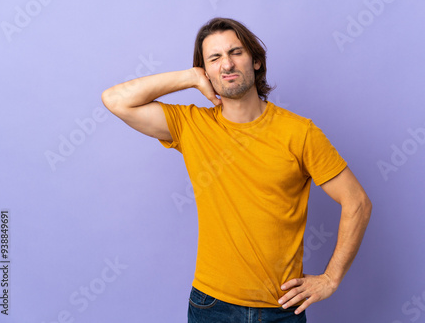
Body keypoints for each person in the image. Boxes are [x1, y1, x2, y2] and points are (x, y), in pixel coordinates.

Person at [102, 17, 372, 322]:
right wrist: (189, 77)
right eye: (214, 58)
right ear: (206, 71)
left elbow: (357, 202)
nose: (227, 64)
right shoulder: (191, 126)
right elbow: (115, 100)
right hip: (210, 307)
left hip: (281, 310)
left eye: (236, 53)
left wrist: (330, 279)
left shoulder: (300, 133)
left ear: (256, 61)